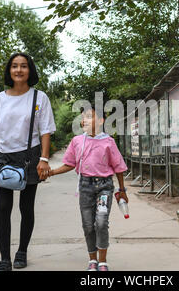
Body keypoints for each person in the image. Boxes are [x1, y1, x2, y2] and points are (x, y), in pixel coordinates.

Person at [0, 52, 56, 271]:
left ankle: (21, 252)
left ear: (30, 70)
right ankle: (5, 258)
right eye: (15, 66)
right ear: (9, 71)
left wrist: (43, 159)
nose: (19, 70)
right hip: (4, 157)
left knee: (26, 207)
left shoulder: (39, 97)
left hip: (30, 156)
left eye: (24, 66)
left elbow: (46, 131)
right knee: (3, 208)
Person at [48, 105, 128, 271]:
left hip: (105, 187)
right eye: (83, 117)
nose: (84, 120)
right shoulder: (77, 141)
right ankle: (93, 260)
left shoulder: (109, 142)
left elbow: (119, 167)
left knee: (101, 222)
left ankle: (103, 261)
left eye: (89, 116)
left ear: (100, 121)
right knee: (88, 225)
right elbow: (69, 164)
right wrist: (52, 172)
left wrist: (122, 190)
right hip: (85, 187)